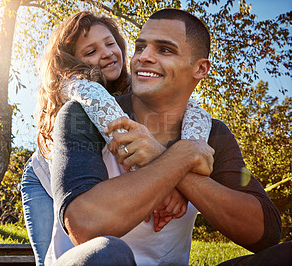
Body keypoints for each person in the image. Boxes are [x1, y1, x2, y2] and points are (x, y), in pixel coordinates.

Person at [48, 8, 283, 265]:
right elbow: (86, 226)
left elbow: (265, 233)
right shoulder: (83, 114)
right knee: (109, 252)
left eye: (165, 50)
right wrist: (181, 157)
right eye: (140, 48)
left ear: (200, 69)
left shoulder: (211, 133)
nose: (144, 57)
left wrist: (171, 163)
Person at [20, 11, 212, 265]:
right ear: (73, 63)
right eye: (91, 52)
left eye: (110, 43)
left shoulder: (139, 82)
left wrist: (185, 169)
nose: (107, 53)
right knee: (51, 257)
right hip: (41, 176)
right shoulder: (78, 85)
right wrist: (168, 177)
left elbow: (194, 111)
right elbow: (121, 134)